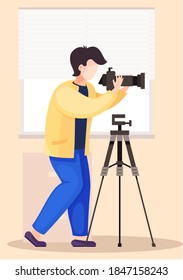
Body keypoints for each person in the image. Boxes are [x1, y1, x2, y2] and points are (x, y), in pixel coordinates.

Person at [24, 46, 128, 247]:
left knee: (83, 189)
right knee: (72, 185)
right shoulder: (64, 92)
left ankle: (80, 237)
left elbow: (99, 102)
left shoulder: (88, 89)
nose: (95, 70)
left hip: (80, 149)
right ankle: (36, 232)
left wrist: (120, 93)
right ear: (80, 66)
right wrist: (112, 94)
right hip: (62, 149)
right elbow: (88, 108)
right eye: (93, 65)